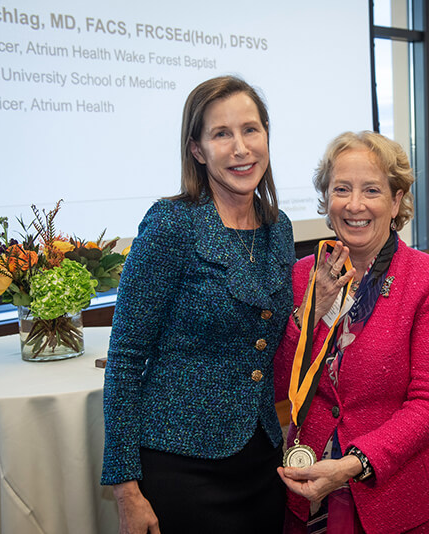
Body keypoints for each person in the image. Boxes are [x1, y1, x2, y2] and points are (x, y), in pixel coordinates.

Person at [101, 76, 294, 533]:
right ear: (197, 149)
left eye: (251, 129)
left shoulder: (278, 227)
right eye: (221, 134)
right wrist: (126, 490)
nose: (241, 148)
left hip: (261, 456)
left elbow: (264, 337)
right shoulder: (172, 224)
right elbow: (125, 360)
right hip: (180, 464)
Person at [274, 131, 429, 533]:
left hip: (401, 496)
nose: (355, 204)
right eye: (341, 189)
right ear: (327, 199)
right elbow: (277, 385)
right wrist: (309, 316)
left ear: (396, 200)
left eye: (372, 190)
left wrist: (350, 466)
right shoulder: (300, 276)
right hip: (308, 485)